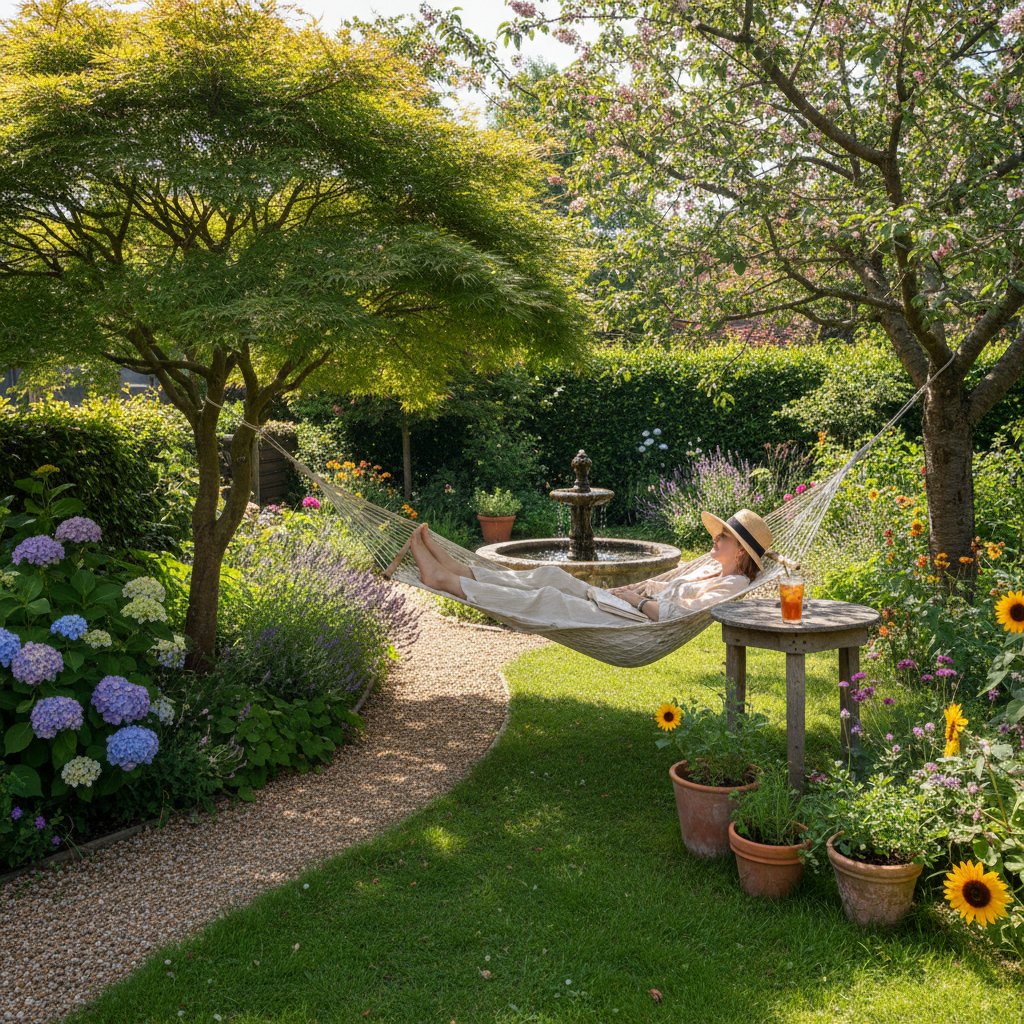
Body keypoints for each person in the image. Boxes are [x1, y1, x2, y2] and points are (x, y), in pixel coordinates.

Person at [402, 508, 774, 628]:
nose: (715, 539)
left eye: (723, 537)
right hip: (627, 606)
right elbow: (667, 590)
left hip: (634, 626)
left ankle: (444, 579)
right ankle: (457, 569)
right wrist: (642, 590)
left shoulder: (732, 586)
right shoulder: (710, 569)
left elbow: (671, 617)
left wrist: (637, 599)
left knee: (548, 599)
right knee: (549, 575)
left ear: (741, 553)